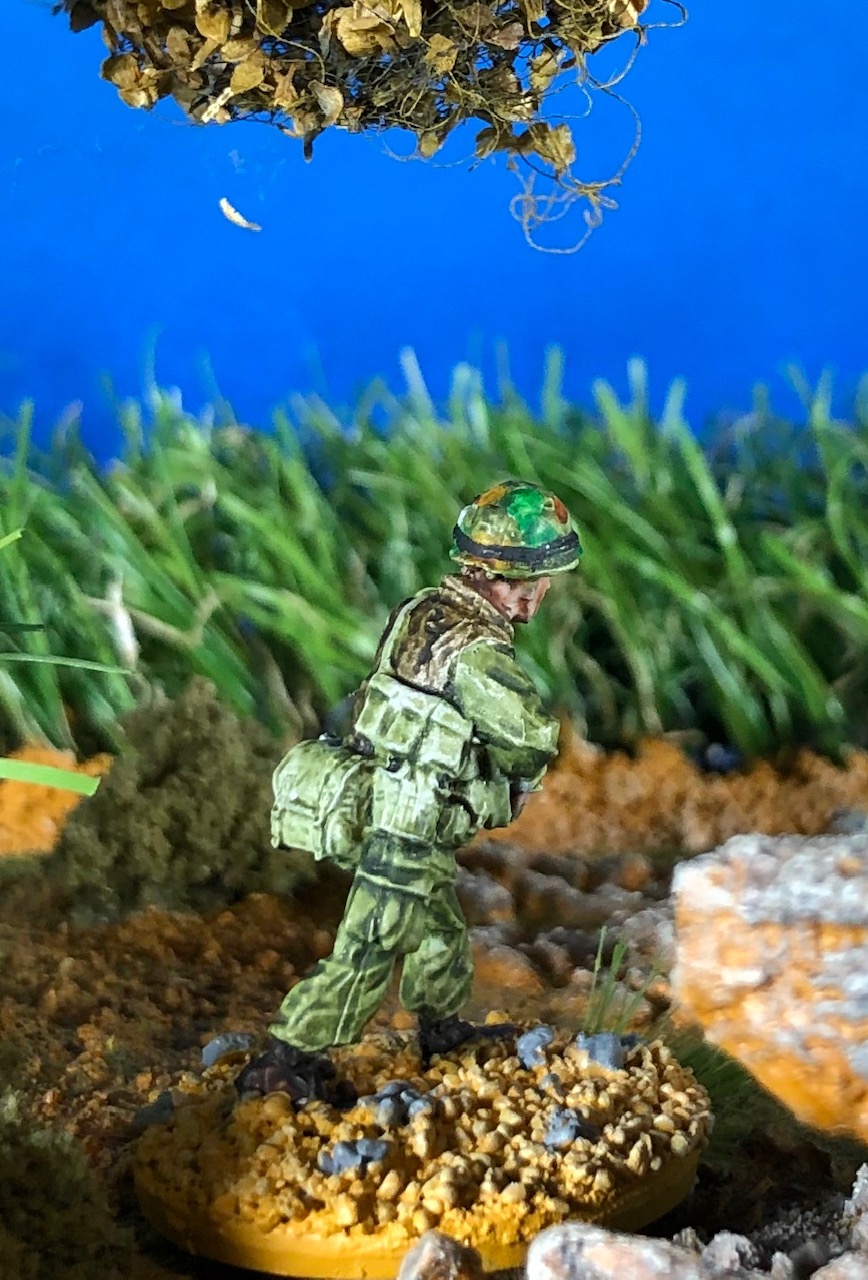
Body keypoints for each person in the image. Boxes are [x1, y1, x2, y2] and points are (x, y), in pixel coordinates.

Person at [236, 480, 582, 1102]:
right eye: (538, 582)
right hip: (408, 818)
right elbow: (528, 738)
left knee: (439, 927)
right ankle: (285, 1058)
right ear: (509, 579)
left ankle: (440, 1029)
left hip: (379, 793)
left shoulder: (421, 610)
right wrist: (507, 782)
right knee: (374, 937)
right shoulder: (478, 652)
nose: (541, 595)